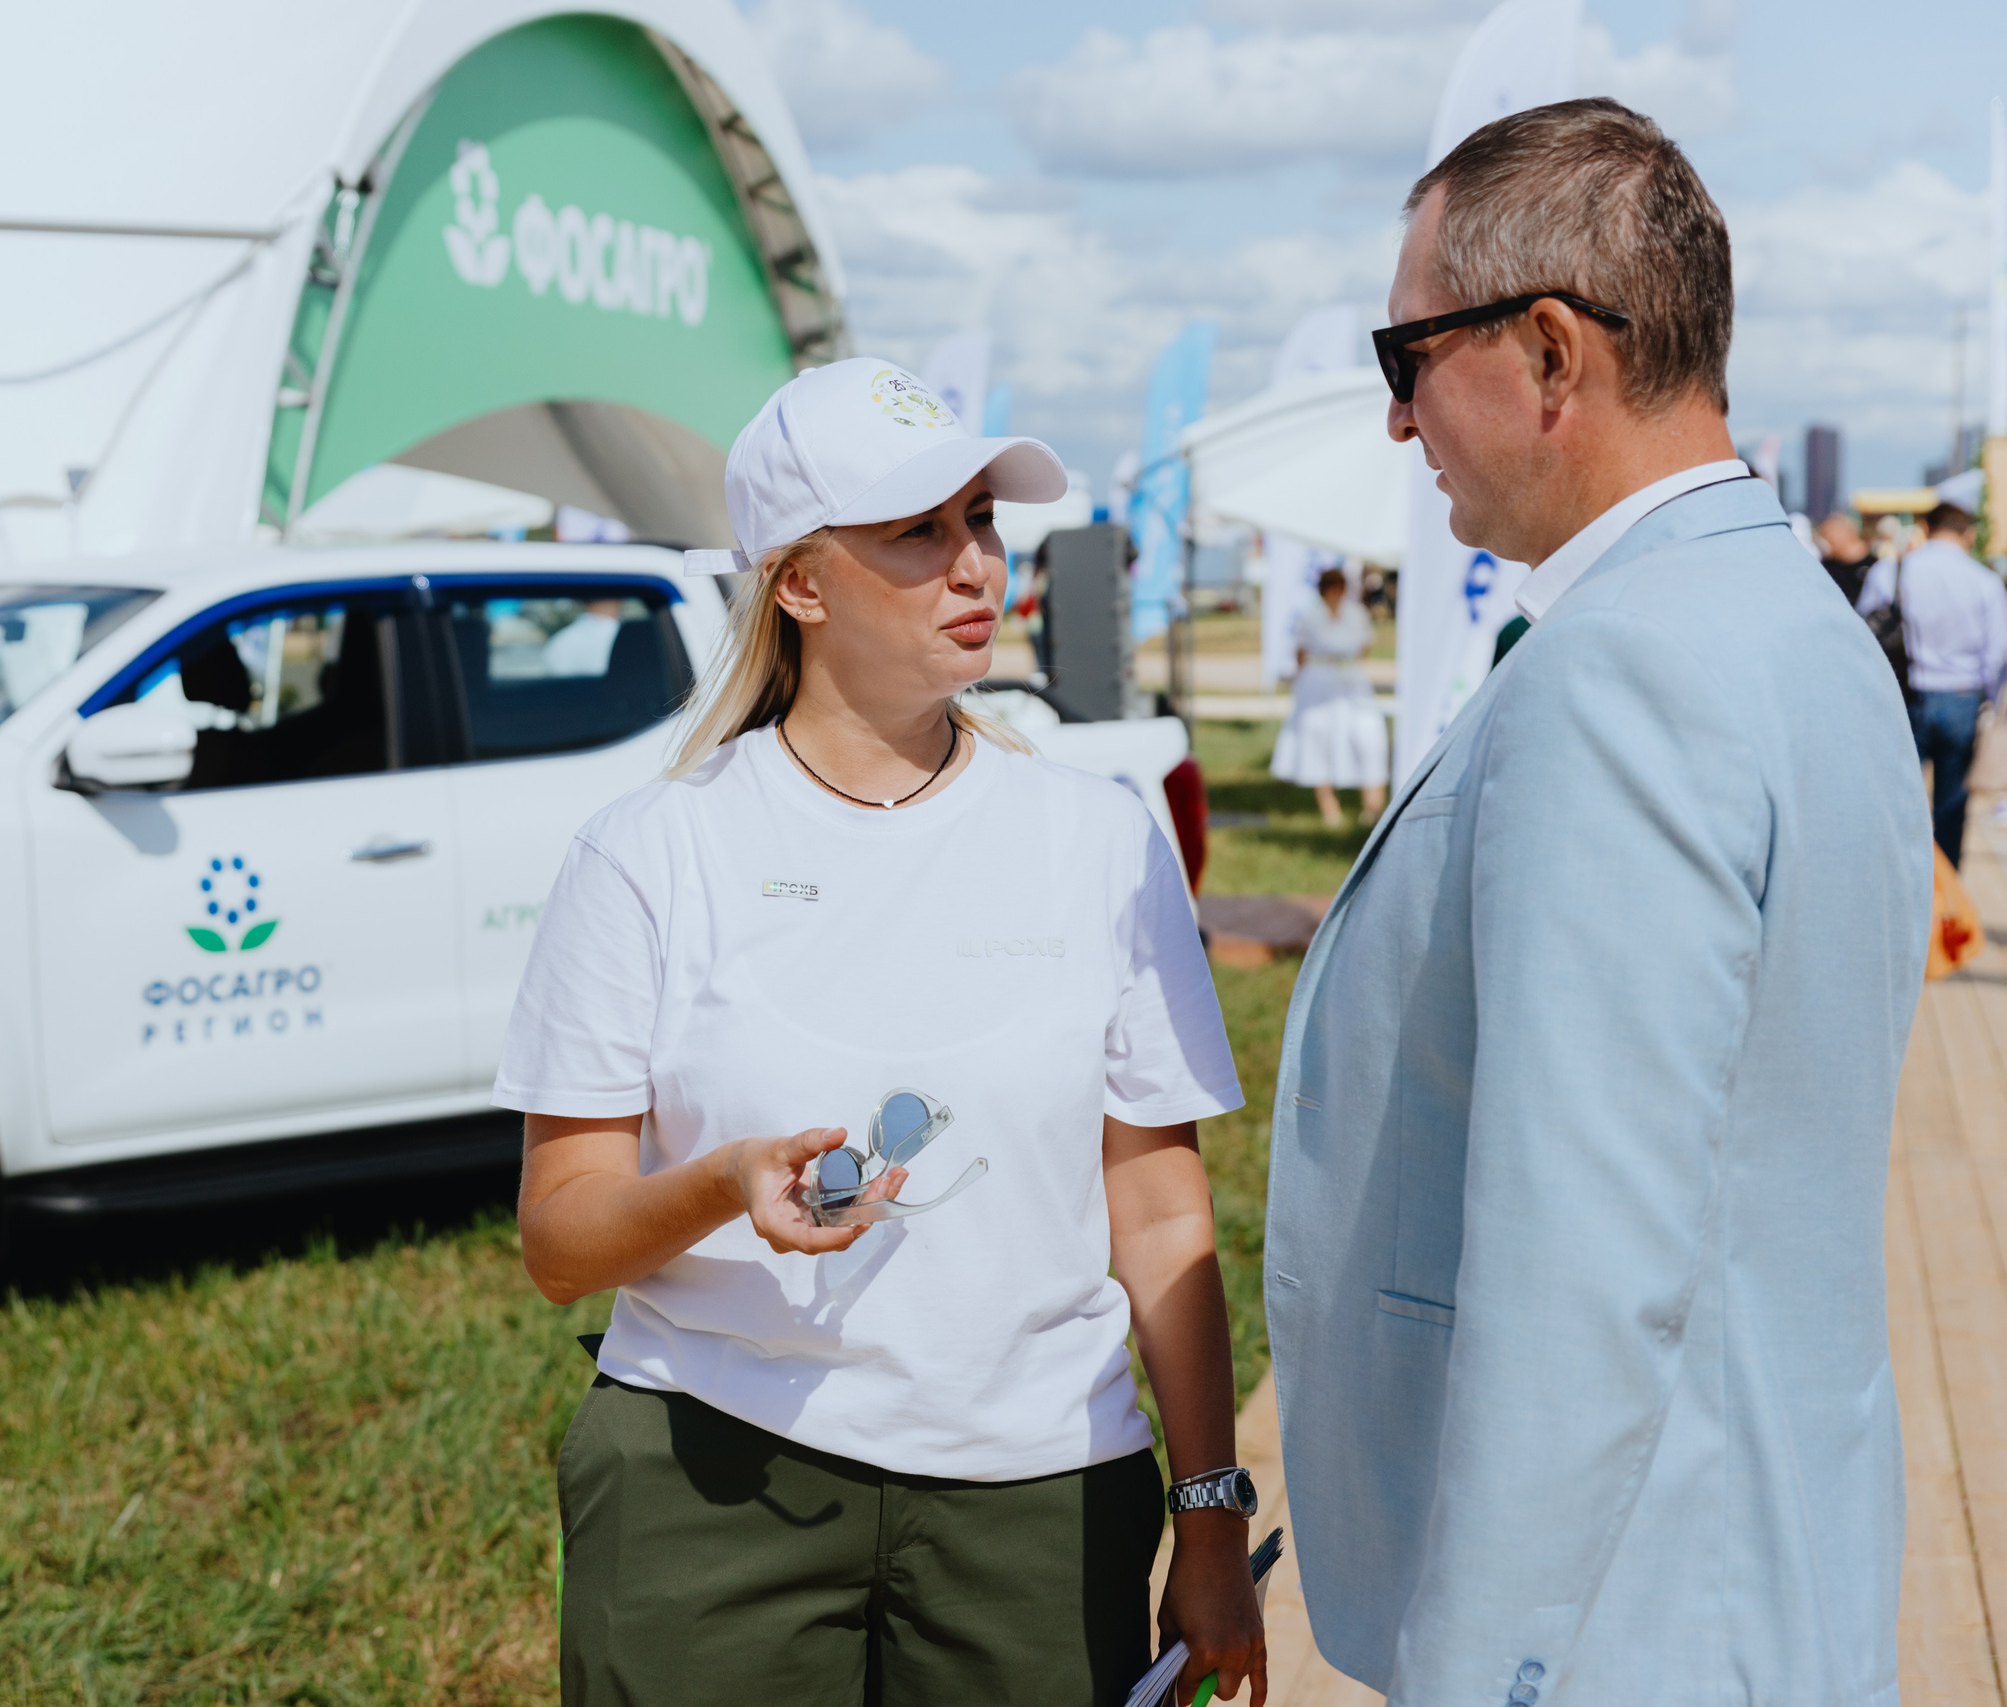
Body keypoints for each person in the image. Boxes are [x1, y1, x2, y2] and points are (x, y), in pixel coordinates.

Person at [1269, 99, 1928, 1706]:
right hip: (1753, 1564)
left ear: (1550, 353)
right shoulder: (1794, 618)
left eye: (1405, 356)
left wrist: (1487, 1669)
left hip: (1617, 1619)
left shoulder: (1624, 664)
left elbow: (1584, 1254)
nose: (1399, 419)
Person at [503, 356, 1266, 1707]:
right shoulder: (649, 854)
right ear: (799, 581)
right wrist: (720, 1186)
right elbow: (563, 1238)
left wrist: (1206, 1514)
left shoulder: (1098, 841)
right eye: (921, 529)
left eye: (982, 519)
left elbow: (1158, 1210)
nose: (976, 563)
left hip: (1036, 1504)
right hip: (706, 1482)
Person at [1857, 500, 2006, 867]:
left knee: (1892, 798)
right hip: (1961, 696)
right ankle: (1946, 896)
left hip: (1902, 694)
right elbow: (1996, 653)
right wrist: (1987, 701)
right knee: (1952, 806)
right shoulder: (1983, 580)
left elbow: (1861, 631)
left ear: (1925, 528)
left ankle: (1893, 877)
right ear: (1967, 533)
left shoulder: (1891, 571)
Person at [1268, 565, 1388, 825]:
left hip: (1350, 680)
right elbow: (1300, 652)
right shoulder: (1311, 616)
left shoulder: (1356, 614)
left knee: (1367, 737)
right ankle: (1329, 807)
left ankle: (1373, 805)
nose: (1335, 592)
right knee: (1316, 738)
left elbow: (1363, 647)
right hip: (1318, 680)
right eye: (1330, 587)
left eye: (1339, 587)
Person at [1817, 509, 1875, 606]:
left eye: (1828, 534)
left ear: (1847, 532)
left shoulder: (1875, 566)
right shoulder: (1825, 567)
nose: (1825, 540)